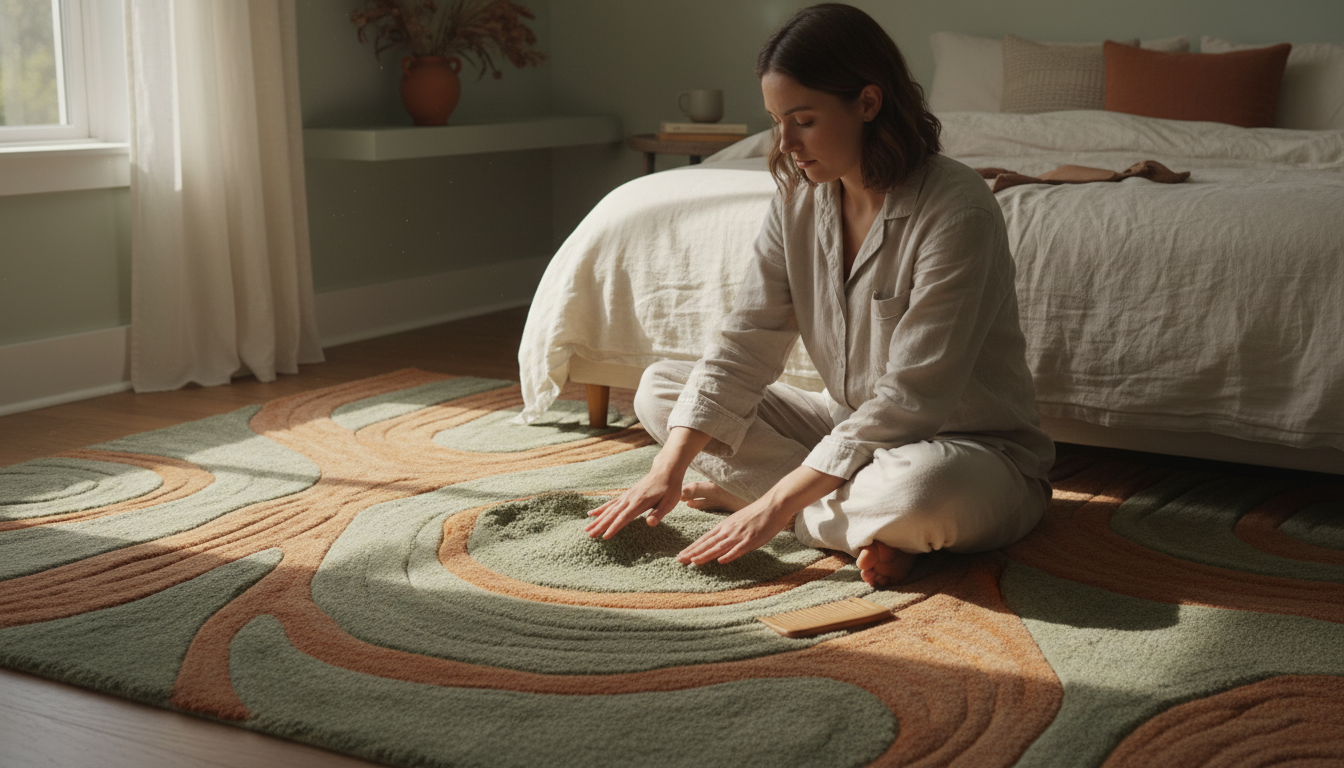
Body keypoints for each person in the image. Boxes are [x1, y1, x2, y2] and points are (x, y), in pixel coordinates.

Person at [583, 3, 1054, 588]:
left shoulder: (958, 210)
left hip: (966, 453)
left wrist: (772, 505)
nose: (784, 143)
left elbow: (911, 402)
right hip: (845, 427)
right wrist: (666, 468)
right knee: (662, 390)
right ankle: (864, 524)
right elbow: (744, 344)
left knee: (919, 492)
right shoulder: (798, 199)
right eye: (777, 119)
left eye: (803, 120)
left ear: (868, 103)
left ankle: (796, 508)